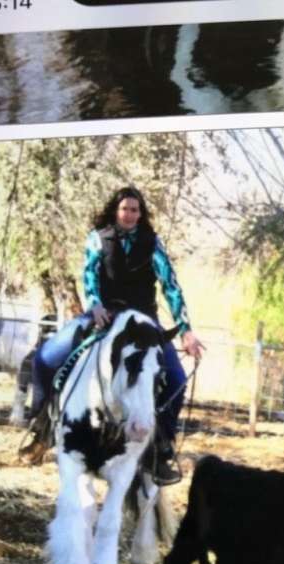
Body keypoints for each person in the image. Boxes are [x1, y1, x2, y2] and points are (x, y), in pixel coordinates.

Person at [19, 186, 204, 483]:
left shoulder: (152, 243)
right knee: (46, 358)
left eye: (135, 210)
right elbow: (90, 274)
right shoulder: (98, 237)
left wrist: (186, 329)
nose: (130, 215)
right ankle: (41, 430)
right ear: (115, 211)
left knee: (177, 381)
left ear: (140, 213)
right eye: (125, 209)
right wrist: (94, 305)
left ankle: (161, 450)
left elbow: (170, 285)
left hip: (144, 322)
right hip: (104, 315)